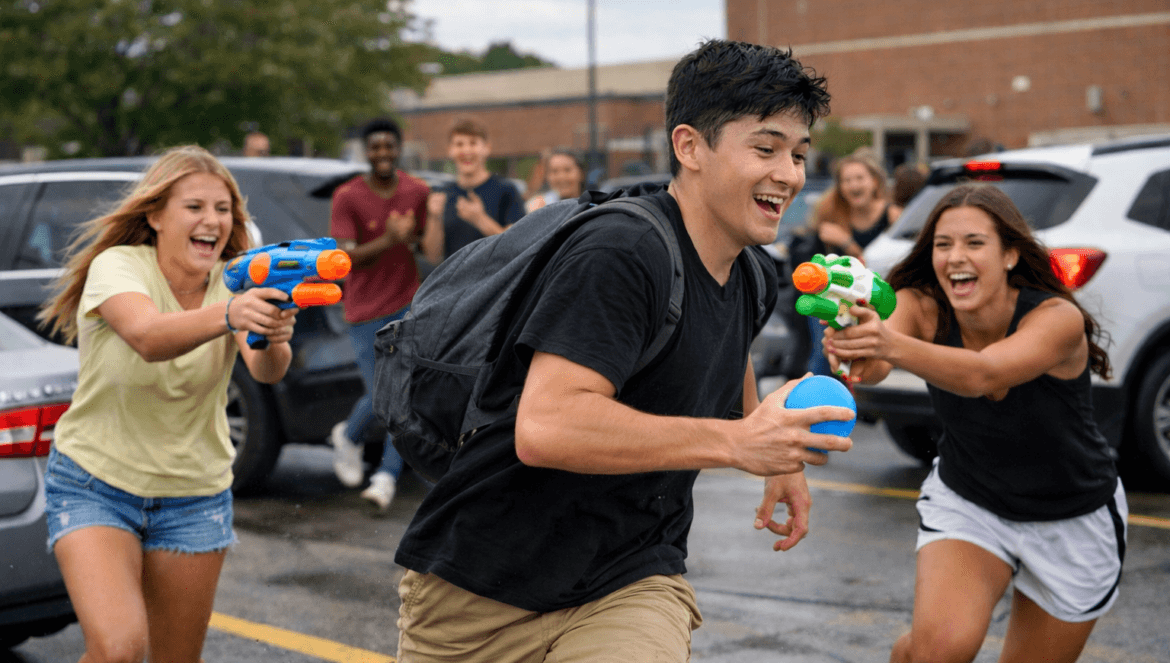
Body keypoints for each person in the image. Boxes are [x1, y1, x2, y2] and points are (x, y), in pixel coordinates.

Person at [393, 39, 852, 662]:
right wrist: (737, 445)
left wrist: (772, 451)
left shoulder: (751, 274)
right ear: (689, 146)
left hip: (631, 578)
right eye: (766, 148)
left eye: (799, 154)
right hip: (481, 592)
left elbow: (724, 353)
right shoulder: (621, 252)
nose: (790, 174)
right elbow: (548, 427)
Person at [823, 183, 1125, 663]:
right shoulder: (920, 303)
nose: (954, 257)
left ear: (1009, 255)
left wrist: (886, 345)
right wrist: (853, 345)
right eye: (942, 245)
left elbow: (987, 375)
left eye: (974, 243)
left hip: (1073, 515)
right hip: (971, 499)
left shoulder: (1056, 318)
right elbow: (876, 363)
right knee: (937, 651)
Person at [37, 145, 297, 663]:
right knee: (117, 649)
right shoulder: (118, 266)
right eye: (195, 207)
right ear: (155, 216)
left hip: (193, 495)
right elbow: (148, 336)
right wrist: (233, 312)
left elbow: (265, 369)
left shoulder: (236, 279)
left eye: (223, 210)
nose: (213, 221)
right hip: (96, 484)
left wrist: (274, 332)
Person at [329, 117, 434, 511]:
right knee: (380, 398)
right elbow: (342, 259)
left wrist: (412, 238)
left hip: (407, 304)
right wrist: (388, 239)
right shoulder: (348, 196)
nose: (383, 153)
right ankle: (349, 436)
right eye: (375, 147)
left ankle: (386, 478)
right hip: (363, 310)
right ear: (365, 151)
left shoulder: (416, 191)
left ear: (399, 148)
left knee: (401, 400)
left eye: (389, 146)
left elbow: (424, 242)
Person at [802, 147, 894, 375]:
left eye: (859, 178)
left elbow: (887, 266)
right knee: (825, 352)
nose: (853, 185)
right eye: (846, 180)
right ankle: (821, 401)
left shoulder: (893, 216)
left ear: (874, 181)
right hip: (836, 296)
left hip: (875, 298)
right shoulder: (832, 212)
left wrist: (847, 243)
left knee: (863, 357)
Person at [420, 117, 525, 263]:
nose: (466, 150)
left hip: (495, 281)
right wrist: (434, 217)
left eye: (473, 143)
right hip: (454, 282)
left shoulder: (506, 190)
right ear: (450, 150)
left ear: (487, 148)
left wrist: (480, 219)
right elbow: (432, 256)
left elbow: (517, 245)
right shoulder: (440, 194)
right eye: (459, 144)